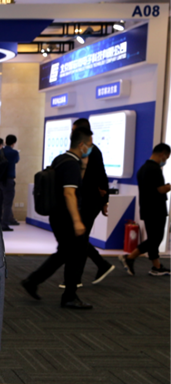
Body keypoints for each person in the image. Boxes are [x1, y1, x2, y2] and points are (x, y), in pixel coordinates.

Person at [21, 127, 94, 310]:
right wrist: (77, 221)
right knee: (75, 255)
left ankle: (33, 281)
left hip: (58, 215)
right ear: (82, 144)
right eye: (90, 144)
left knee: (65, 253)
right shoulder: (71, 164)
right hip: (66, 217)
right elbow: (69, 193)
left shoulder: (61, 159)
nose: (90, 148)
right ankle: (68, 296)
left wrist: (84, 165)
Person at [71, 118, 115, 284]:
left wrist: (104, 201)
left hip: (90, 202)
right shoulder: (85, 152)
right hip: (88, 201)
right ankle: (101, 265)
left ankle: (76, 279)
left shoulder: (92, 152)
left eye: (74, 131)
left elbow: (101, 177)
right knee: (80, 238)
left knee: (80, 239)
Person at [120, 143, 171, 276]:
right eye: (167, 157)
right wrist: (169, 186)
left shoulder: (143, 168)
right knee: (155, 239)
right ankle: (129, 257)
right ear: (162, 154)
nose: (166, 160)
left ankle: (157, 267)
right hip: (156, 209)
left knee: (153, 238)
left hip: (147, 208)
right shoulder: (155, 169)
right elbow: (160, 190)